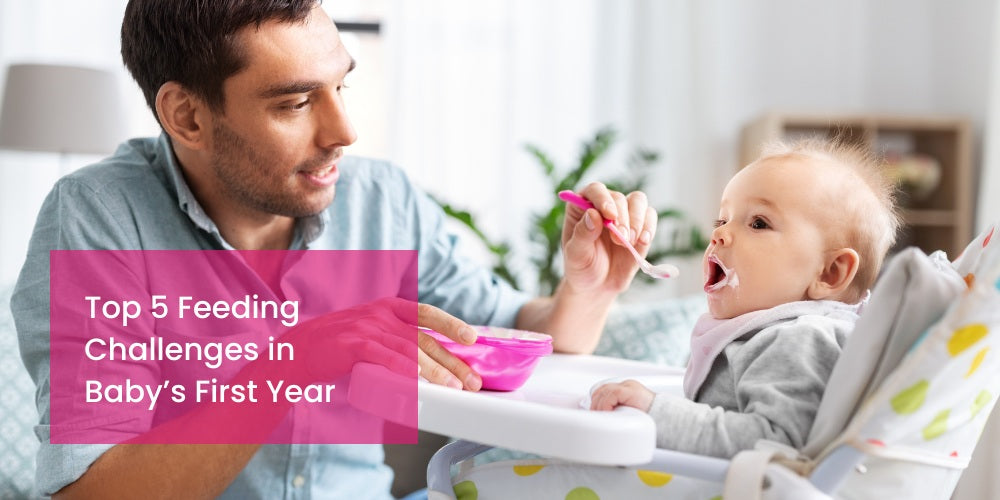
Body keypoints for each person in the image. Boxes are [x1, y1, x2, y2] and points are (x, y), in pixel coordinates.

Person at [10, 1, 659, 498]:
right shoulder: (98, 217)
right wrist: (291, 361)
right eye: (294, 103)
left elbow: (517, 337)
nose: (344, 132)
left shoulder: (384, 200)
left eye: (341, 87)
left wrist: (589, 290)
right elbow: (88, 489)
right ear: (187, 118)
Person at [590, 138, 901, 458]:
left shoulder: (797, 339)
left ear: (829, 273)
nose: (719, 234)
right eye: (722, 220)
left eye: (758, 223)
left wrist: (655, 411)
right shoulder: (763, 336)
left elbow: (777, 445)